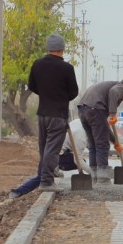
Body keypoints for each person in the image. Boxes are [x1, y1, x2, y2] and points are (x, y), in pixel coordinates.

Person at [27, 33, 79, 193]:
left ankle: (42, 176)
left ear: (48, 48)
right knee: (52, 149)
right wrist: (61, 98)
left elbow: (32, 86)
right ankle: (46, 181)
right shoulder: (67, 68)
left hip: (42, 113)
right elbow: (74, 92)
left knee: (44, 147)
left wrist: (45, 94)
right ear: (62, 49)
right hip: (58, 115)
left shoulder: (37, 65)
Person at [9, 119, 91, 198]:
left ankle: (54, 169)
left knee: (43, 175)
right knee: (43, 177)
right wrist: (93, 173)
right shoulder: (81, 138)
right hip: (56, 156)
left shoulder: (79, 122)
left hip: (50, 151)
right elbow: (77, 160)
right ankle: (18, 191)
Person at [77, 78, 123, 184]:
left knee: (94, 145)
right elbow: (113, 92)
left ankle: (94, 177)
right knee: (102, 145)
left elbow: (104, 127)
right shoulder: (121, 87)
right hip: (95, 109)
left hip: (83, 110)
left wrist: (115, 142)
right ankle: (103, 178)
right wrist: (113, 113)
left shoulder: (107, 88)